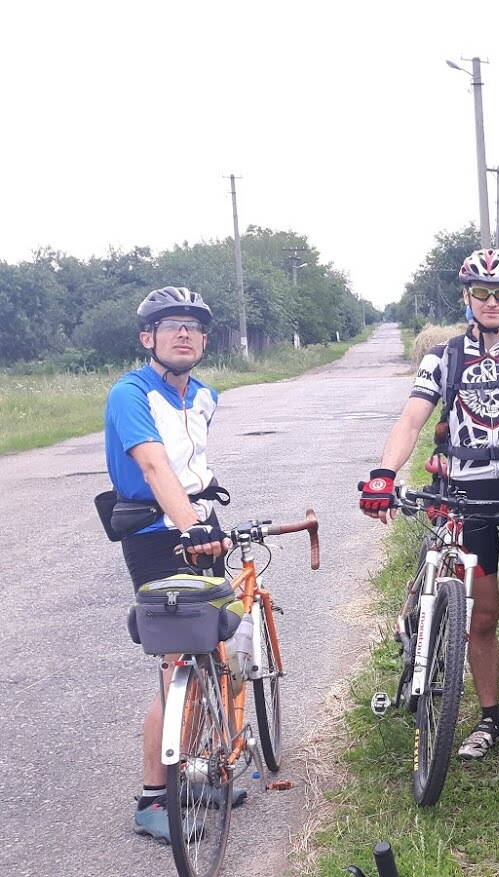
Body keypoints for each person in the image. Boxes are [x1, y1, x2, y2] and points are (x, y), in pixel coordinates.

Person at [358, 247, 499, 758]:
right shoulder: (443, 357)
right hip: (464, 497)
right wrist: (385, 474)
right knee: (480, 616)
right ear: (467, 297)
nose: (491, 302)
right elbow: (412, 419)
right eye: (482, 292)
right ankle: (488, 718)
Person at [105, 287, 240, 842]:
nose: (183, 334)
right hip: (155, 535)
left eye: (193, 326)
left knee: (216, 649)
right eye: (170, 326)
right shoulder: (130, 393)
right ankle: (153, 796)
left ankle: (195, 773)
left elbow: (191, 466)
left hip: (199, 524)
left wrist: (204, 516)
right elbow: (155, 467)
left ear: (204, 340)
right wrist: (191, 527)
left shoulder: (205, 395)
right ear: (148, 338)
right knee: (177, 662)